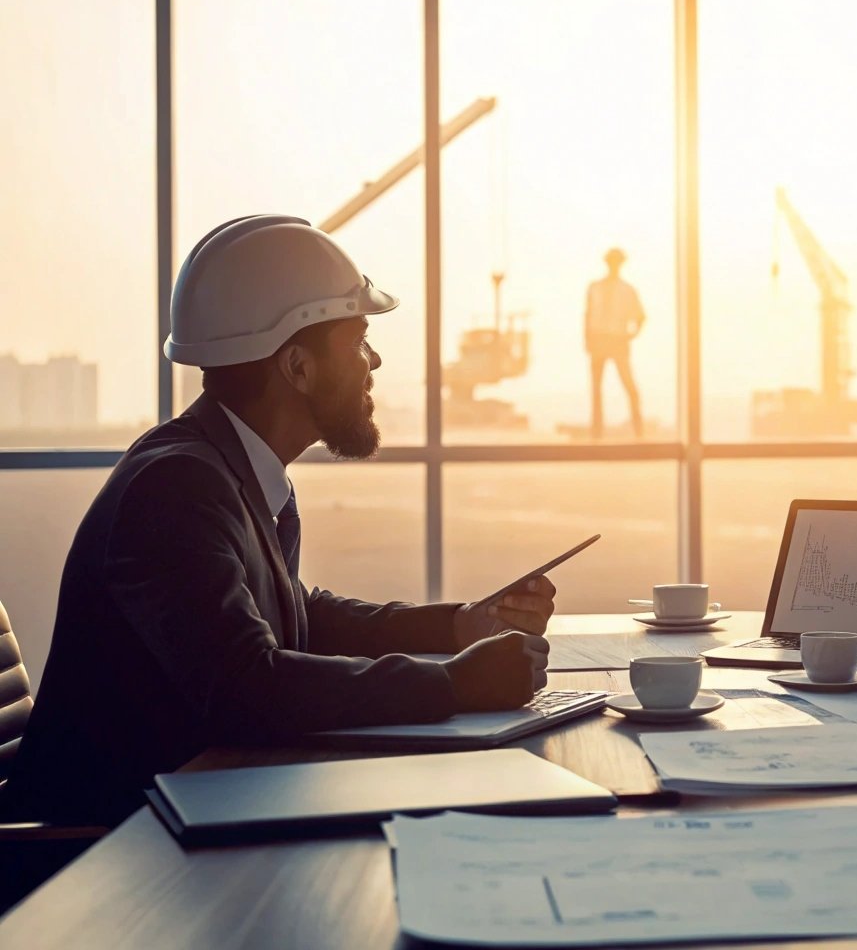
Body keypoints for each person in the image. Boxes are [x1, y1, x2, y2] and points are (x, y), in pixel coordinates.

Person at [1, 215, 556, 826]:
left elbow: (298, 617)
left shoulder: (223, 467)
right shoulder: (175, 488)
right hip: (103, 855)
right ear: (297, 367)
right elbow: (247, 687)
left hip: (186, 815)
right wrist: (451, 685)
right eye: (357, 341)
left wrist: (456, 627)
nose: (373, 361)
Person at [585, 247, 645, 439]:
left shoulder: (627, 290)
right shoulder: (594, 288)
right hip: (599, 339)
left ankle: (638, 431)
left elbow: (641, 316)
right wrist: (588, 340)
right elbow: (587, 315)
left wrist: (630, 335)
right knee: (596, 388)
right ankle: (596, 432)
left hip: (618, 340)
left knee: (630, 387)